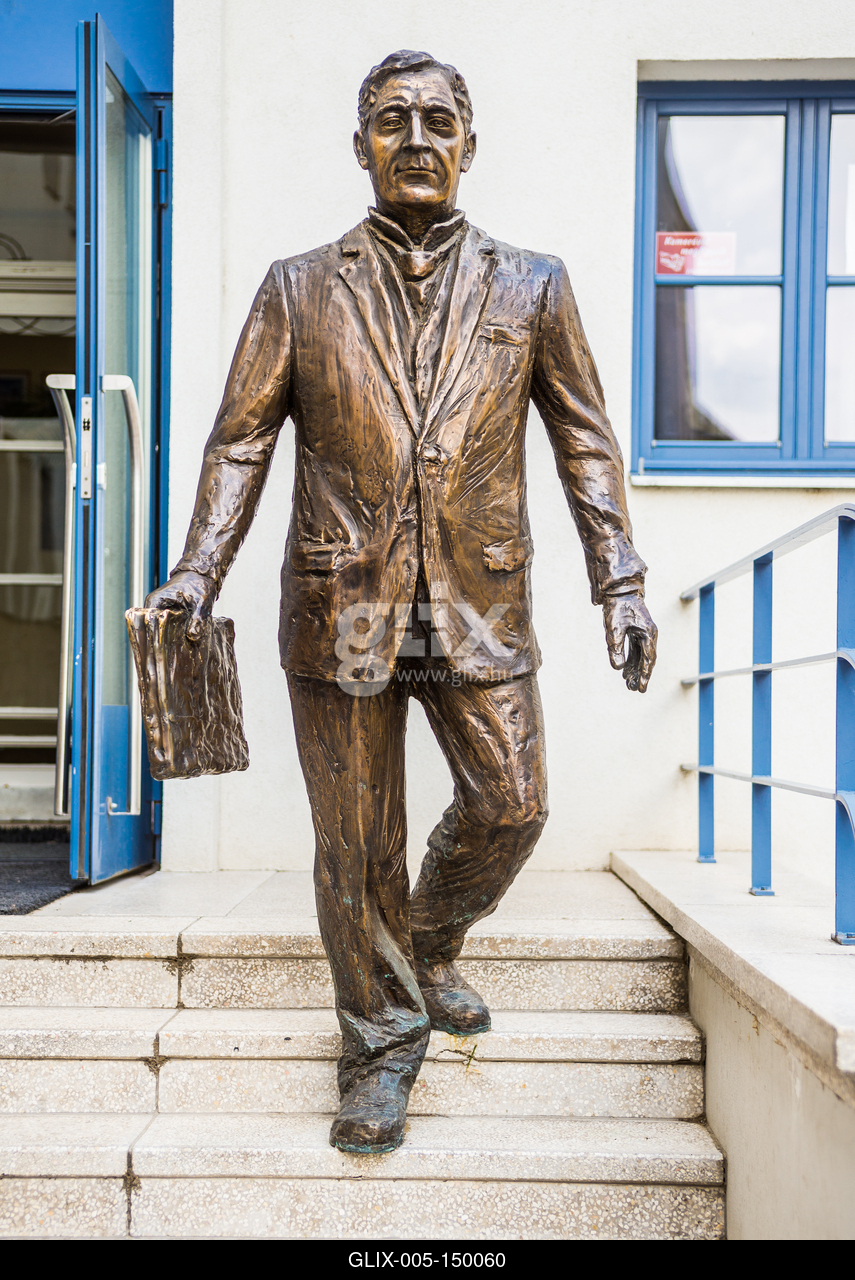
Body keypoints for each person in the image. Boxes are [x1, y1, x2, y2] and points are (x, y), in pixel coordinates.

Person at [145, 50, 658, 1154]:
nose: (416, 139)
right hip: (345, 603)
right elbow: (239, 442)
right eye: (392, 120)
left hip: (479, 598)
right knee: (356, 843)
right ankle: (379, 1048)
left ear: (468, 144)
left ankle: (425, 943)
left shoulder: (533, 284)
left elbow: (585, 441)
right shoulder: (297, 286)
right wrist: (198, 570)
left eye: (437, 121)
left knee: (513, 804)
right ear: (360, 145)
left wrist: (618, 578)